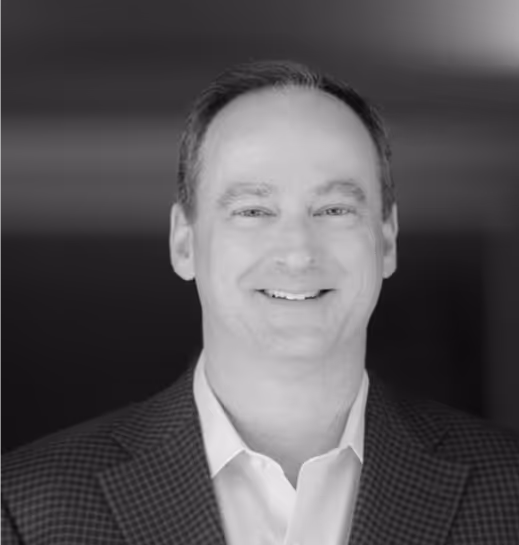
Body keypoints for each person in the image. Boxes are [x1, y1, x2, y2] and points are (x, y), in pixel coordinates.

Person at [1, 60, 518, 545]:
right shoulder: (26, 508)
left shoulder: (510, 490)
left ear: (386, 240)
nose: (297, 251)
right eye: (253, 210)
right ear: (184, 242)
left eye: (334, 209)